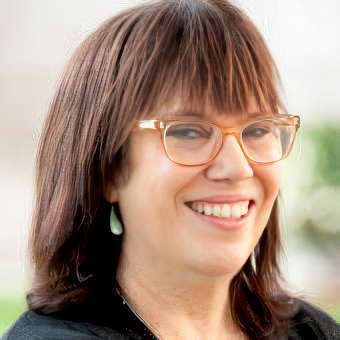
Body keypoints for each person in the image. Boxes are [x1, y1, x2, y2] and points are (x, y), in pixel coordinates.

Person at [3, 0, 340, 339]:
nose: (238, 167)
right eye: (188, 131)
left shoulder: (313, 332)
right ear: (108, 168)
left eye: (257, 130)